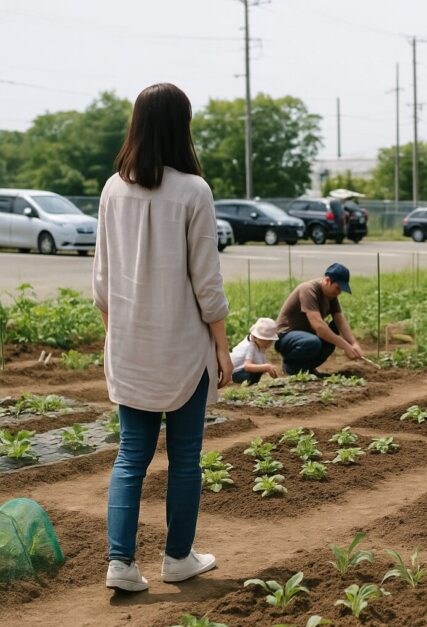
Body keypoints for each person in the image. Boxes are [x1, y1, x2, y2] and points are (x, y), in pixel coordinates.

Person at [93, 83, 232, 592]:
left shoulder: (112, 189)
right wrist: (221, 345)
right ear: (182, 127)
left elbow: (103, 281)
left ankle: (120, 565)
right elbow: (206, 281)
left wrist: (118, 340)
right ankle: (177, 558)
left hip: (131, 349)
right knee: (185, 457)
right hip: (183, 349)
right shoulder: (194, 191)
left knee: (131, 455)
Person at [274, 263, 365, 375]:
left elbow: (339, 320)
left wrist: (353, 343)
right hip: (286, 336)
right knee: (314, 342)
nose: (339, 293)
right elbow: (319, 327)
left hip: (306, 336)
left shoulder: (331, 295)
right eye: (337, 288)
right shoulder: (308, 289)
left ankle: (307, 368)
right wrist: (345, 346)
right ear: (327, 280)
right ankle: (291, 367)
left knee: (332, 333)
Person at [230, 317, 280, 384]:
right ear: (255, 337)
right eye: (265, 340)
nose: (268, 343)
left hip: (242, 370)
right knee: (254, 374)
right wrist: (266, 367)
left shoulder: (258, 344)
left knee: (259, 369)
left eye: (270, 341)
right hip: (235, 373)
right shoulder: (249, 346)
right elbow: (247, 366)